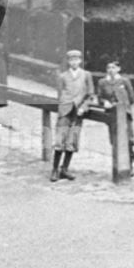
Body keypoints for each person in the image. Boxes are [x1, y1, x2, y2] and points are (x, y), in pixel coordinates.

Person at [51, 49, 95, 182]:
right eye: (71, 60)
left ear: (80, 61)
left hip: (78, 112)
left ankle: (65, 169)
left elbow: (91, 95)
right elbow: (60, 95)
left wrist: (83, 107)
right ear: (68, 62)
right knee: (60, 141)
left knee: (72, 141)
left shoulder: (86, 75)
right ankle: (55, 169)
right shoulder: (63, 76)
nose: (74, 62)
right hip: (65, 111)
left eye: (76, 60)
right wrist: (64, 105)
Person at [96, 60, 134, 175]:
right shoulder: (102, 82)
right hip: (111, 115)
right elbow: (99, 98)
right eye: (108, 68)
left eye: (113, 68)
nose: (111, 70)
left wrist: (124, 106)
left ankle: (130, 167)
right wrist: (105, 102)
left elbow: (132, 98)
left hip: (125, 114)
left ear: (118, 69)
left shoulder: (124, 81)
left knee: (128, 140)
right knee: (115, 141)